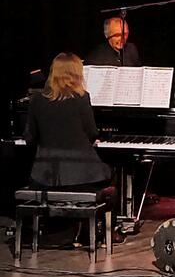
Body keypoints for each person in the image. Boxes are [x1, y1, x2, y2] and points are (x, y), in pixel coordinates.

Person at [24, 52, 111, 188]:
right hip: (83, 174)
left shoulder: (36, 99)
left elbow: (30, 137)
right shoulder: (82, 98)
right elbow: (92, 133)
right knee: (111, 173)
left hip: (45, 175)